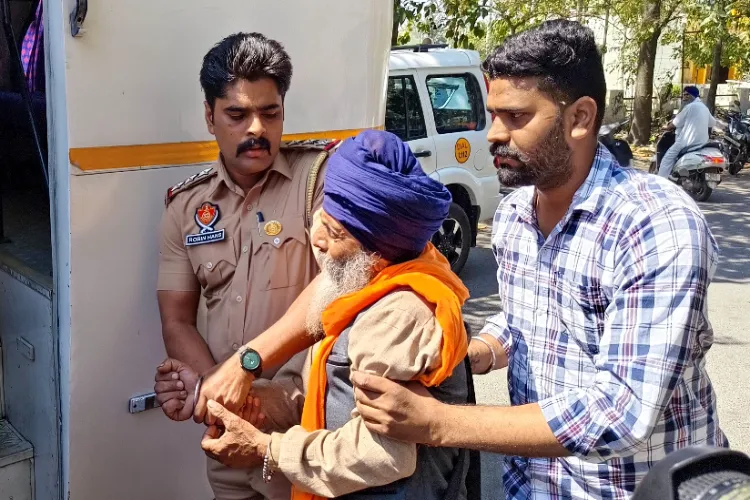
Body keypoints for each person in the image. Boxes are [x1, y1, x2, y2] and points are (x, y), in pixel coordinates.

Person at [346, 20, 729, 499]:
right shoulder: (513, 216)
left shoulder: (656, 225)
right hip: (534, 486)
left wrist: (437, 422)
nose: (492, 135)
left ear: (581, 118)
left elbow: (619, 413)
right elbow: (534, 316)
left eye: (516, 117)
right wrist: (476, 351)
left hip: (635, 488)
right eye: (492, 115)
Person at [199, 130, 472, 500]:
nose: (317, 239)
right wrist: (255, 402)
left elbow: (383, 453)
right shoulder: (358, 290)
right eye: (321, 219)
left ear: (377, 249)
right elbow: (322, 394)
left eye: (335, 231)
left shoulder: (399, 313)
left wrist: (266, 449)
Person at [153, 32, 335, 500]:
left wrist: (245, 368)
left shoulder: (320, 181)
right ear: (210, 117)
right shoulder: (185, 207)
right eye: (237, 114)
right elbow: (176, 319)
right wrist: (216, 392)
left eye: (270, 113)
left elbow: (337, 286)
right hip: (229, 436)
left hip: (305, 432)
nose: (257, 127)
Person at [658, 85, 717, 178]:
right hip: (702, 142)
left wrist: (666, 127)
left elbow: (675, 123)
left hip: (687, 142)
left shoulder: (689, 107)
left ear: (690, 95)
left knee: (667, 158)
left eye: (685, 95)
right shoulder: (704, 108)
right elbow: (712, 123)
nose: (684, 97)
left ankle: (660, 182)